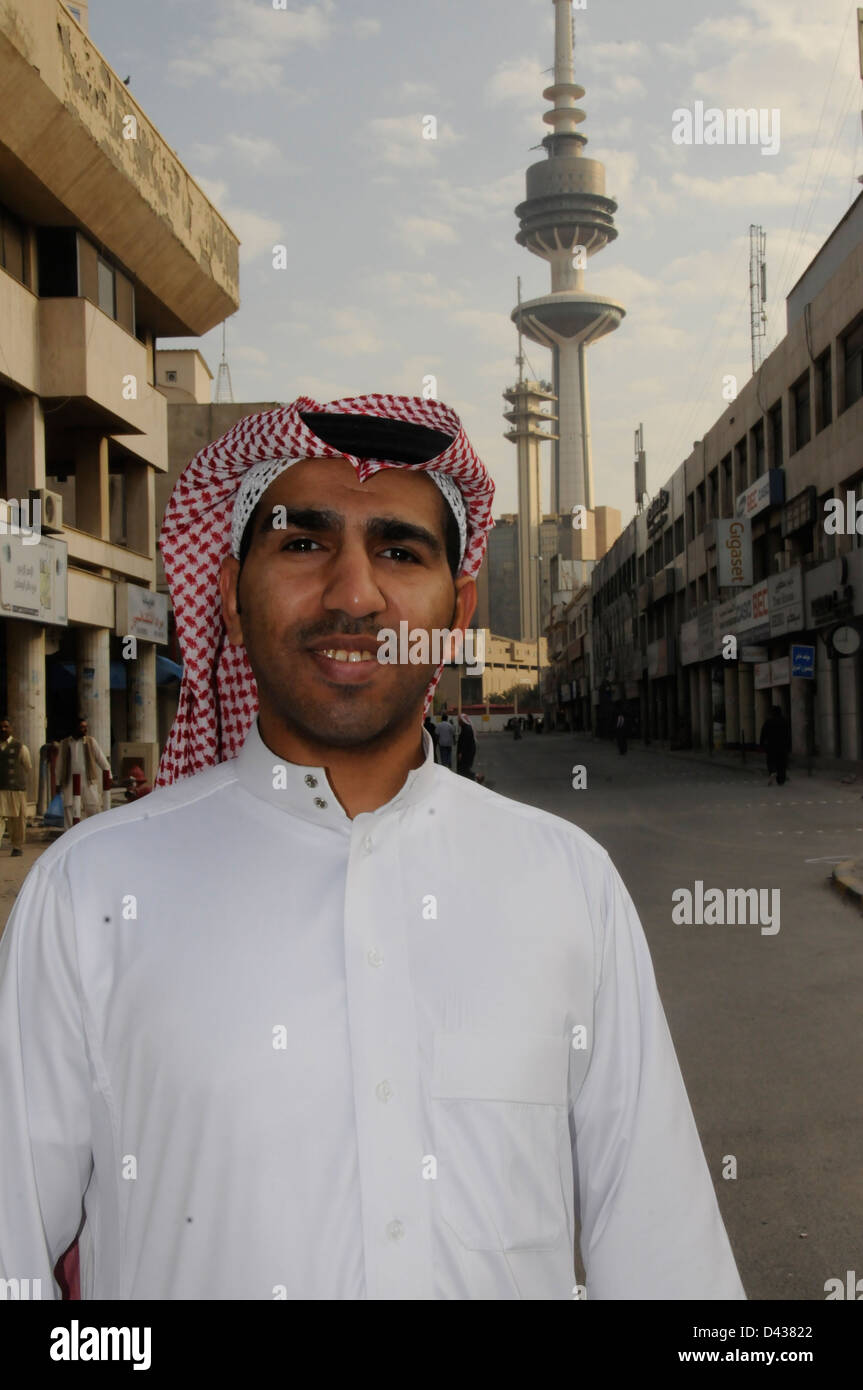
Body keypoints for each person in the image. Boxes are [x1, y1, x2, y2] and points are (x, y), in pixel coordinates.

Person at [0, 393, 744, 1301]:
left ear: (456, 605)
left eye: (399, 550)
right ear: (230, 601)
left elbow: (661, 1249)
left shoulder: (565, 884)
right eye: (303, 543)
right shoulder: (91, 890)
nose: (354, 594)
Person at [56, 715, 112, 828]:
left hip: (88, 782)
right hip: (70, 782)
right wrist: (58, 783)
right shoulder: (65, 743)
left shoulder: (91, 742)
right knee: (70, 810)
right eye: (82, 727)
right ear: (75, 728)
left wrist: (108, 777)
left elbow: (103, 762)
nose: (85, 729)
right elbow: (59, 766)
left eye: (86, 727)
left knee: (93, 809)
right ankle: (69, 839)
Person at [0, 717, 31, 857]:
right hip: (0, 789)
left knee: (17, 820)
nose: (3, 729)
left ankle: (17, 846)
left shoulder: (20, 747)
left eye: (6, 726)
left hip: (16, 789)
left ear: (11, 728)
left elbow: (27, 766)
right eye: (1, 727)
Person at [760, 704, 791, 786]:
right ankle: (781, 780)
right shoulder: (784, 721)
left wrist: (762, 744)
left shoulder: (768, 722)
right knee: (781, 762)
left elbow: (763, 734)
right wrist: (789, 746)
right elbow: (788, 734)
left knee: (771, 760)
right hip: (782, 745)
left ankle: (772, 771)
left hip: (771, 745)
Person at [456, 713, 476, 779]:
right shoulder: (465, 728)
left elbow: (465, 742)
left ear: (462, 721)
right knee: (464, 769)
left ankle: (477, 776)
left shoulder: (467, 729)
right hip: (467, 752)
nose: (458, 721)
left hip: (466, 753)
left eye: (459, 720)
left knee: (463, 770)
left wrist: (461, 753)